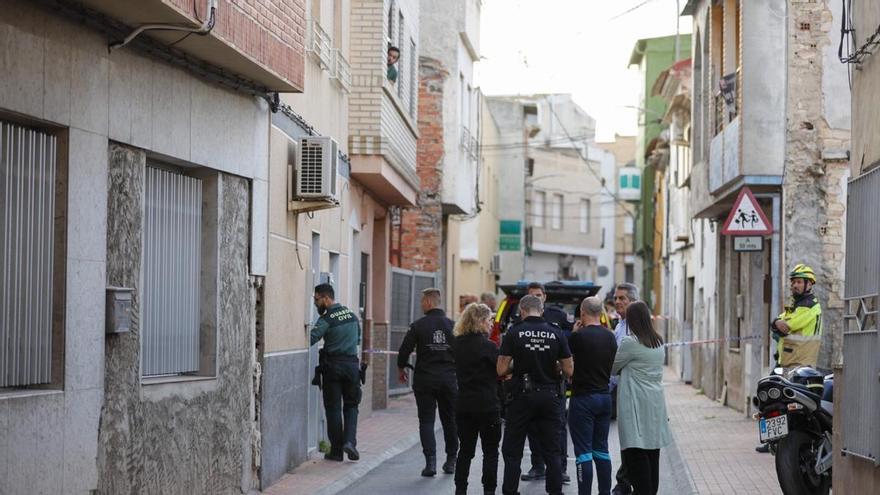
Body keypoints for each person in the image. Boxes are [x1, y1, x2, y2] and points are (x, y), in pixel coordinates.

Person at [497, 294, 574, 495]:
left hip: (521, 397)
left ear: (522, 311)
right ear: (541, 310)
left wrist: (518, 364)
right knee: (552, 449)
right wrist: (554, 366)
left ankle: (510, 491)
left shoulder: (515, 332)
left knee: (513, 450)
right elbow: (569, 370)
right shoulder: (556, 333)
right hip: (550, 397)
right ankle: (555, 491)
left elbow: (501, 369)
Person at [756, 263, 823, 453]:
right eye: (793, 281)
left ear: (809, 284)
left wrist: (777, 323)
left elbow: (787, 325)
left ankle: (799, 443)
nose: (794, 285)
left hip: (802, 364)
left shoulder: (810, 306)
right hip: (786, 362)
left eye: (799, 282)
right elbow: (777, 322)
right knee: (770, 397)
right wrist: (776, 322)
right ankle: (771, 440)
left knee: (795, 407)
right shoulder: (795, 306)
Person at [611, 301, 672, 495]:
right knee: (652, 452)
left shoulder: (631, 342)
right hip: (654, 403)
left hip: (635, 403)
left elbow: (613, 368)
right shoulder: (658, 341)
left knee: (635, 452)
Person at [397, 288, 458, 476]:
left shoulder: (418, 325)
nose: (421, 304)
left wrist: (402, 367)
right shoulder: (453, 326)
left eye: (423, 301)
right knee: (450, 420)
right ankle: (451, 461)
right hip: (449, 379)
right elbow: (462, 351)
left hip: (426, 379)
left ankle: (430, 463)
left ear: (430, 303)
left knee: (426, 421)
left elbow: (404, 350)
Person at [518, 282, 572, 484]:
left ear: (545, 297)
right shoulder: (520, 319)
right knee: (533, 428)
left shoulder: (557, 315)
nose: (536, 298)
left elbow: (571, 336)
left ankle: (561, 468)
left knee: (558, 428)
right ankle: (538, 466)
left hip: (553, 383)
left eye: (539, 295)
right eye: (532, 295)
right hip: (529, 383)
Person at [568, 297, 618, 495]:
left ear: (582, 313)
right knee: (601, 450)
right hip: (604, 398)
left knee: (583, 453)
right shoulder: (610, 336)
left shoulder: (578, 337)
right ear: (601, 313)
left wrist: (573, 334)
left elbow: (567, 366)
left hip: (583, 399)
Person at [452, 303, 502, 495]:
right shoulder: (489, 346)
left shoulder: (457, 344)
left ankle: (460, 489)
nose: (491, 325)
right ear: (480, 321)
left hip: (464, 404)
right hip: (487, 404)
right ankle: (489, 490)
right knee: (491, 451)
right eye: (489, 320)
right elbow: (500, 370)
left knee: (465, 451)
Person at [310, 283, 363, 462]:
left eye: (317, 299)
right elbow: (358, 340)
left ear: (326, 298)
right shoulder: (352, 316)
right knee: (351, 407)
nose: (316, 304)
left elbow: (312, 338)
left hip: (333, 367)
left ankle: (337, 451)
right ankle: (350, 442)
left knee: (333, 409)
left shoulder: (327, 319)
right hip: (352, 367)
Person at [610, 283, 639, 495]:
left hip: (632, 391)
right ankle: (625, 480)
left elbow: (618, 363)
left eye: (623, 299)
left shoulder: (634, 328)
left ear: (632, 302)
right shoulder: (620, 325)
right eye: (616, 298)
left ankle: (624, 482)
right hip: (620, 389)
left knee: (631, 439)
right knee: (627, 438)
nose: (618, 302)